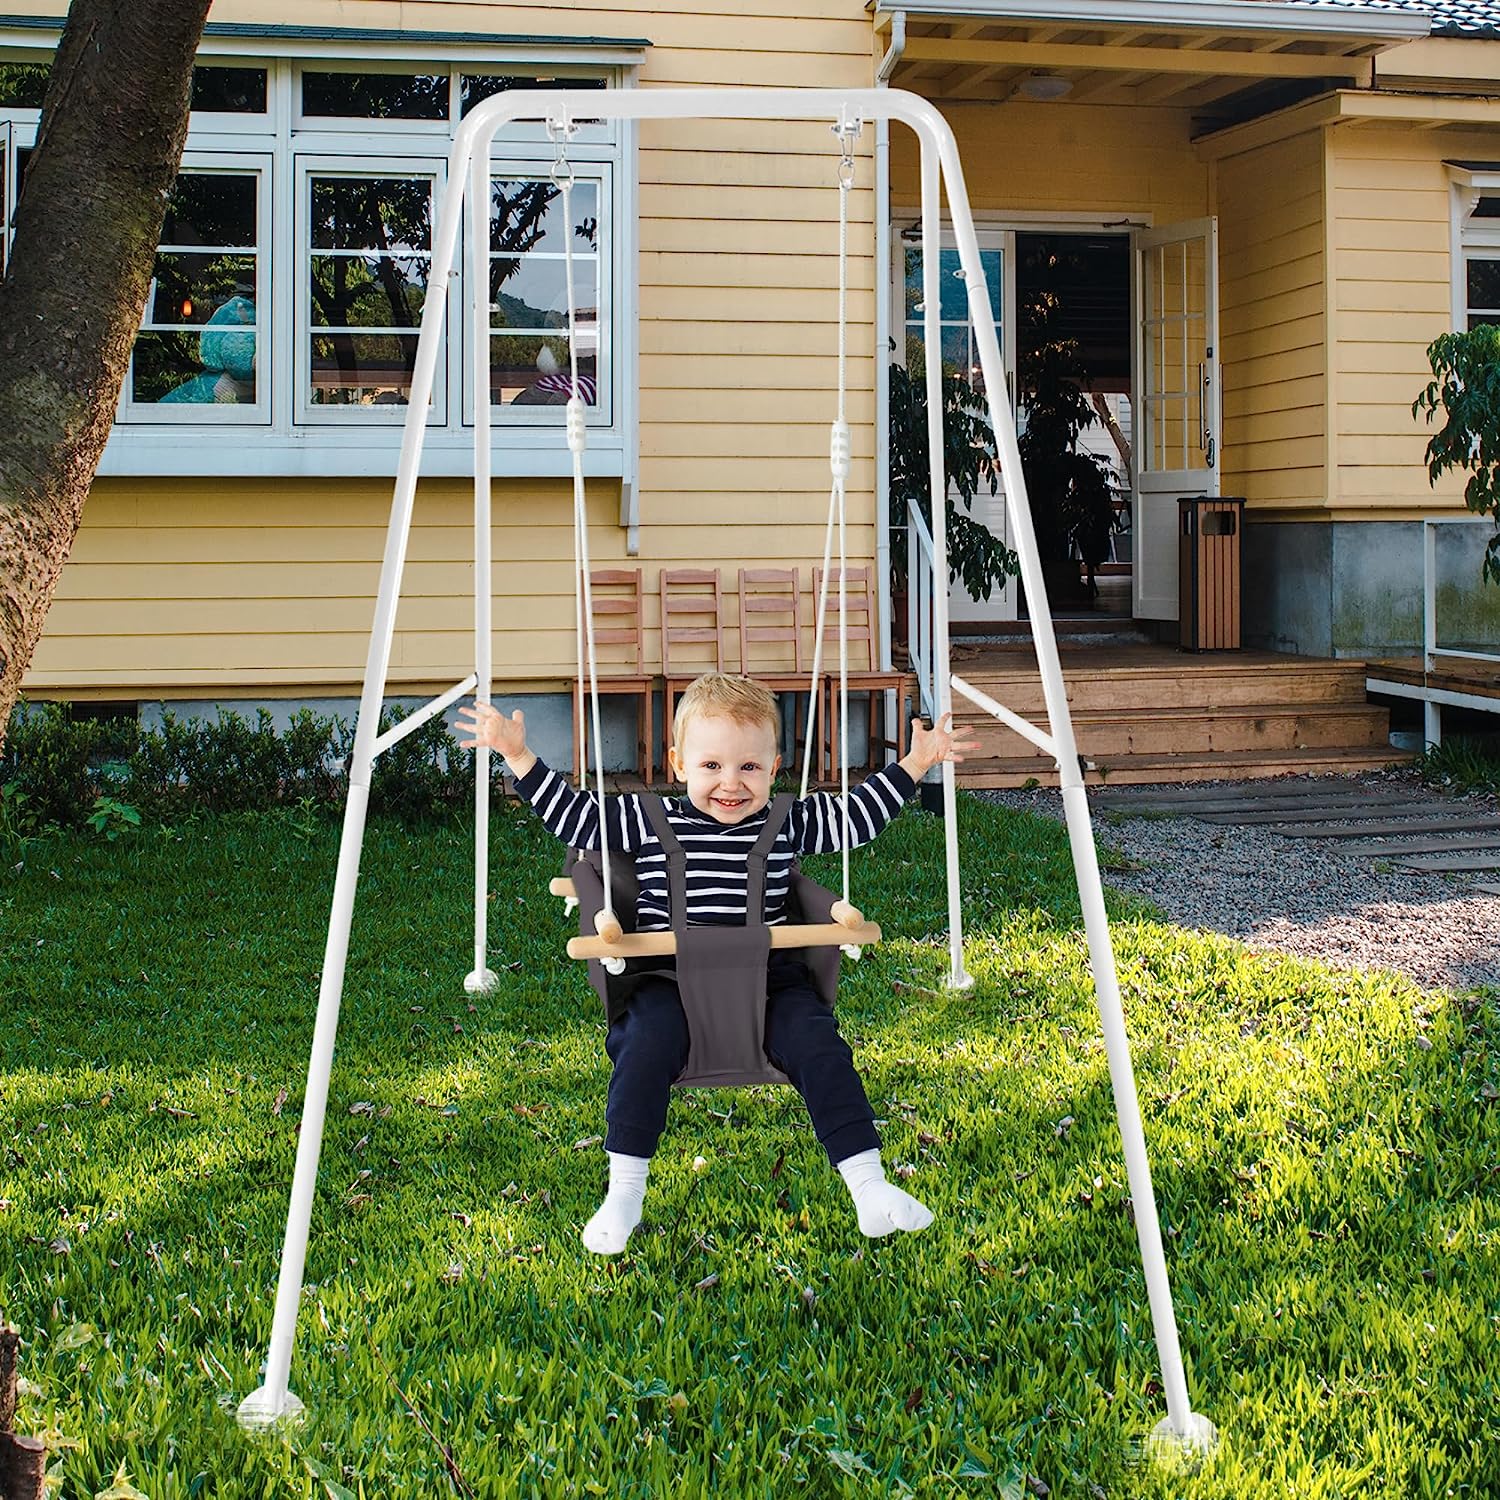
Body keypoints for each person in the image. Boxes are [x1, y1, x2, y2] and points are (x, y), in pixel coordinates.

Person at [456, 672, 978, 1256]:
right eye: (711, 767)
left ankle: (869, 1185)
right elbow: (578, 818)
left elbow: (856, 817)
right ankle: (624, 1191)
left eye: (749, 768)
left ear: (775, 767)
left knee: (819, 1046)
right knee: (645, 1046)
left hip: (770, 980)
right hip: (666, 978)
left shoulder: (787, 823)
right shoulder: (649, 821)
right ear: (679, 763)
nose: (730, 784)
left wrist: (917, 763)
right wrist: (519, 755)